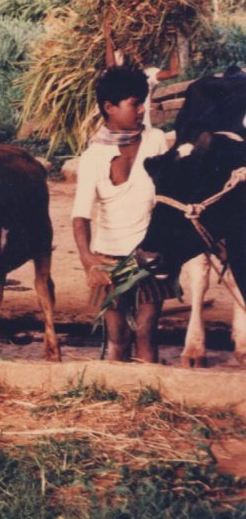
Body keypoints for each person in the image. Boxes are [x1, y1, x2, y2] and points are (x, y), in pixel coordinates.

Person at [72, 65, 173, 363]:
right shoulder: (93, 157)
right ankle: (119, 395)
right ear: (109, 107)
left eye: (143, 102)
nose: (143, 110)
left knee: (146, 331)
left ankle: (147, 397)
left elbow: (164, 198)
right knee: (118, 337)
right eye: (135, 103)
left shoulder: (155, 141)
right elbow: (80, 215)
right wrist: (88, 259)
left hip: (149, 255)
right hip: (109, 260)